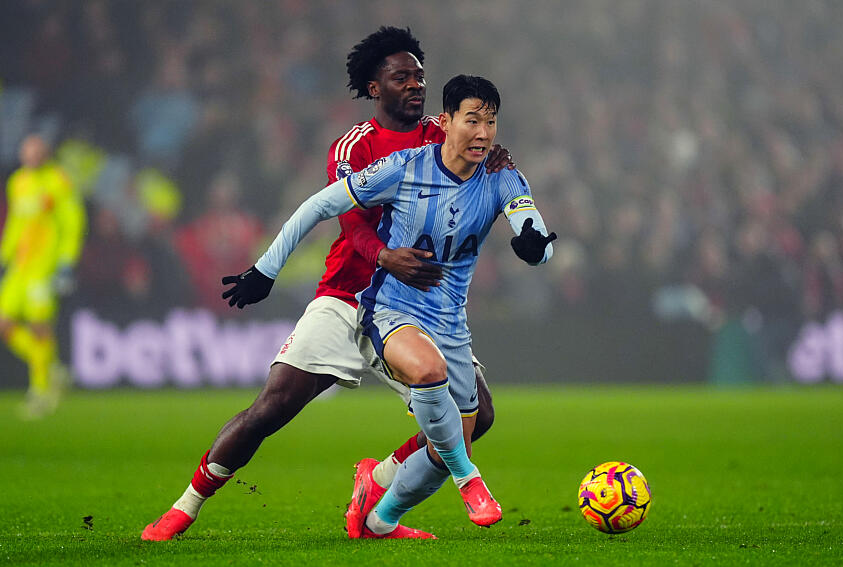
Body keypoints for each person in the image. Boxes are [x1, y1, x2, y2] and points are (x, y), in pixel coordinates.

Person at [141, 27, 512, 541]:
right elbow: (350, 220)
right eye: (400, 77)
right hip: (348, 293)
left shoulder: (443, 133)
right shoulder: (355, 145)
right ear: (373, 86)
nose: (415, 85)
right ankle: (186, 505)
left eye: (419, 76)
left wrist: (496, 160)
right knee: (271, 407)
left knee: (480, 413)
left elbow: (483, 172)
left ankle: (377, 483)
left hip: (412, 308)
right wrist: (383, 256)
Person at [219, 74, 555, 538]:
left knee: (453, 438)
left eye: (491, 122)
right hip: (391, 308)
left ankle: (380, 518)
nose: (483, 133)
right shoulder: (404, 167)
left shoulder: (502, 177)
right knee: (429, 377)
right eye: (472, 120)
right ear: (445, 122)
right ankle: (469, 479)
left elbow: (532, 226)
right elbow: (319, 206)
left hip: (451, 323)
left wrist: (534, 245)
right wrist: (265, 269)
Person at [0, 134, 86, 419]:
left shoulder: (58, 181)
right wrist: (4, 255)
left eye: (36, 151)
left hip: (44, 267)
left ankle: (40, 391)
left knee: (39, 326)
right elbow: (15, 222)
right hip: (19, 268)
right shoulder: (18, 182)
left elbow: (72, 222)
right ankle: (51, 368)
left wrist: (66, 262)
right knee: (4, 324)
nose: (31, 156)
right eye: (27, 151)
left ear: (45, 153)